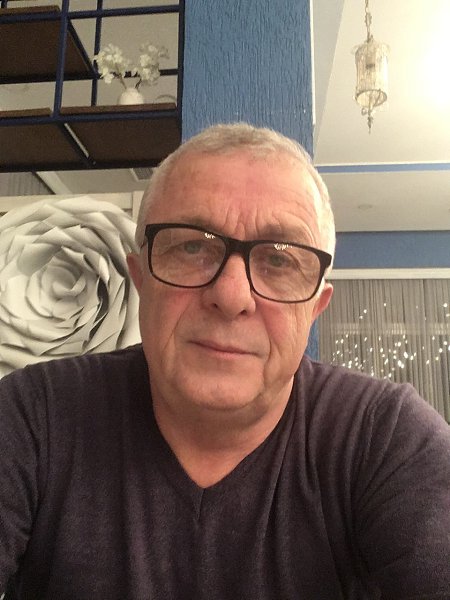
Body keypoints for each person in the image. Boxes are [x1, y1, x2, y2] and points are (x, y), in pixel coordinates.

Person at [0, 123, 449, 600]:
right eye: (192, 246)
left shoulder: (387, 437)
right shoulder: (33, 415)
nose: (232, 296)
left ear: (315, 308)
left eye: (280, 260)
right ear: (141, 280)